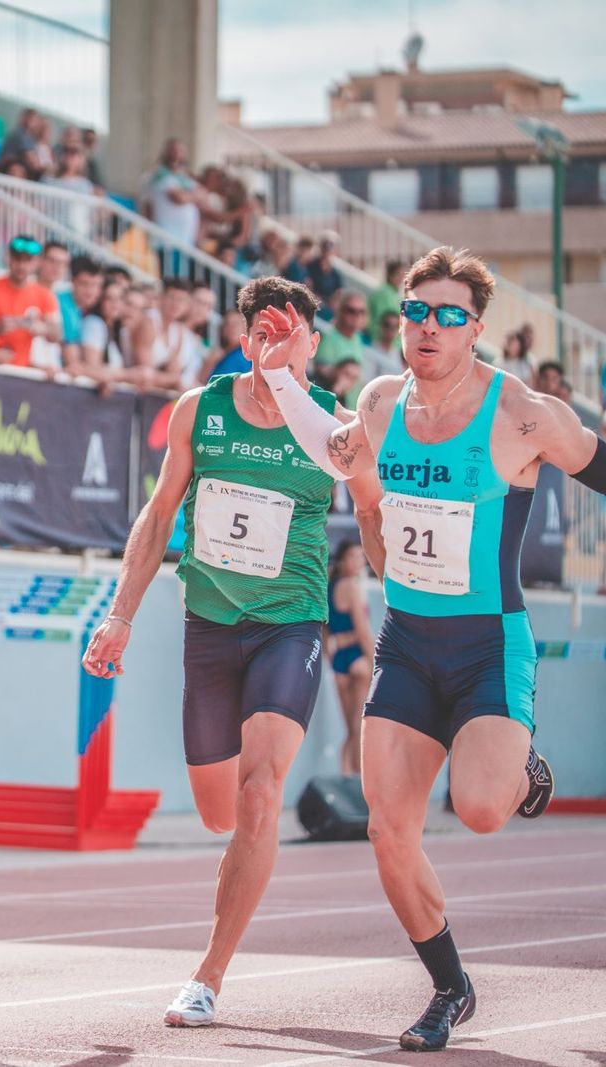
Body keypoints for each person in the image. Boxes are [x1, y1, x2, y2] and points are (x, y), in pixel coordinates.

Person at [254, 246, 606, 1051]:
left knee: (481, 809)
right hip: (408, 642)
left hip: (488, 641)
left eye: (449, 316)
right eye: (417, 311)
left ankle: (521, 761)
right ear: (400, 318)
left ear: (475, 330)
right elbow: (334, 451)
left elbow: (597, 462)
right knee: (388, 829)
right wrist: (279, 378)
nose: (429, 327)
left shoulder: (523, 413)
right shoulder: (379, 402)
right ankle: (450, 985)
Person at [82, 275, 385, 1032]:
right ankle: (229, 894)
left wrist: (406, 593)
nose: (279, 344)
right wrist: (120, 614)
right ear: (244, 334)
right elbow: (157, 519)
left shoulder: (334, 429)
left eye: (294, 333)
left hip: (289, 624)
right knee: (220, 811)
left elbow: (375, 514)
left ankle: (207, 975)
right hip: (210, 628)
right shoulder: (201, 409)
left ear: (314, 342)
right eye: (265, 330)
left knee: (259, 797)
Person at [0, 234, 62, 375]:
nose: (21, 265)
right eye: (17, 259)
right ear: (8, 258)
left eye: (28, 260)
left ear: (37, 262)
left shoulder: (44, 295)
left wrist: (43, 328)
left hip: (20, 372)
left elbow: (56, 334)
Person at [326, 539, 374, 777]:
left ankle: (346, 775)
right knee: (359, 728)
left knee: (350, 729)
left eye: (361, 556)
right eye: (354, 556)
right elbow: (363, 631)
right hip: (357, 657)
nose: (359, 561)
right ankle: (357, 781)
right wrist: (376, 661)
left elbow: (324, 630)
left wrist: (330, 653)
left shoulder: (329, 586)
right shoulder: (353, 587)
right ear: (343, 560)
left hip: (339, 660)